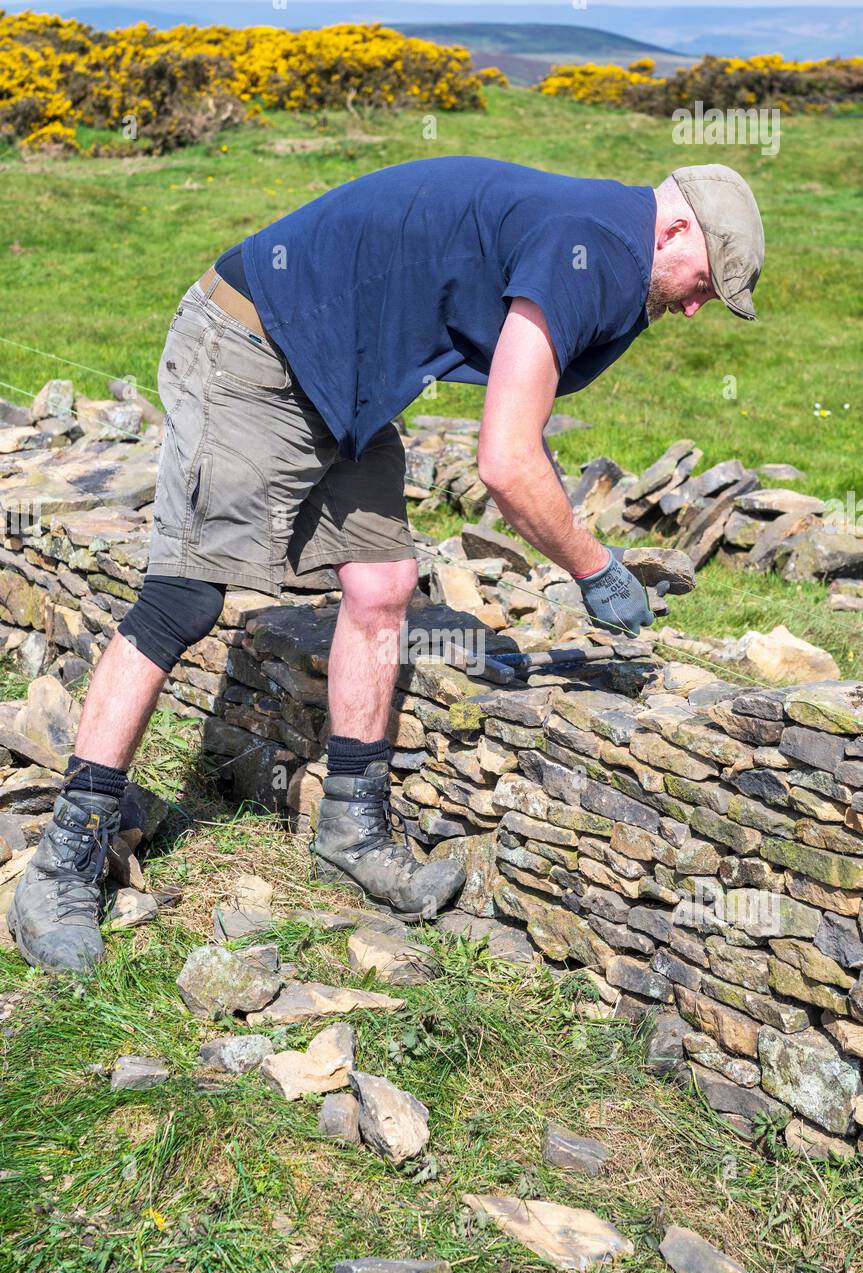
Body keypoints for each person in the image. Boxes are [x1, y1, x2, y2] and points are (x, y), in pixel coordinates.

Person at [10, 158, 764, 974]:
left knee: (382, 583)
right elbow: (507, 462)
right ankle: (62, 861)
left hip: (340, 376)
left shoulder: (600, 234)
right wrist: (593, 567)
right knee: (183, 598)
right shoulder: (591, 245)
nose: (693, 305)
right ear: (677, 229)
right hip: (252, 347)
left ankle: (350, 831)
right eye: (701, 285)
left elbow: (520, 410)